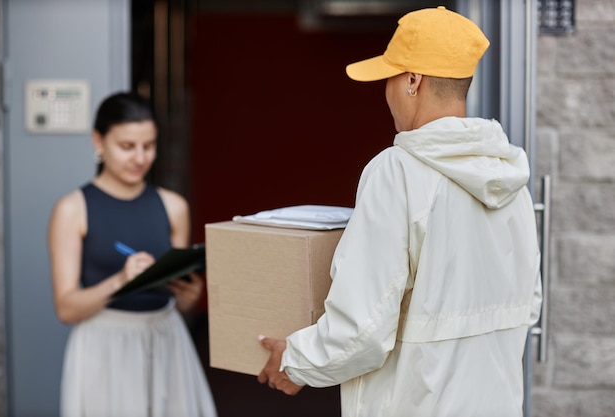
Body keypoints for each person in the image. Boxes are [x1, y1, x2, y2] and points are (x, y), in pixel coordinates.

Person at [257, 6, 543, 417]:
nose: (386, 90)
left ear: (413, 80)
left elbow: (362, 330)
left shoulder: (398, 171)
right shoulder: (507, 172)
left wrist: (294, 362)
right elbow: (527, 304)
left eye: (390, 76)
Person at [48, 91, 218, 417]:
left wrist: (189, 296)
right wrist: (121, 281)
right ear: (99, 142)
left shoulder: (173, 207)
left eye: (149, 146)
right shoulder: (72, 210)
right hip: (103, 346)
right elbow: (66, 309)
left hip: (167, 340)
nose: (140, 158)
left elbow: (181, 302)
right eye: (127, 146)